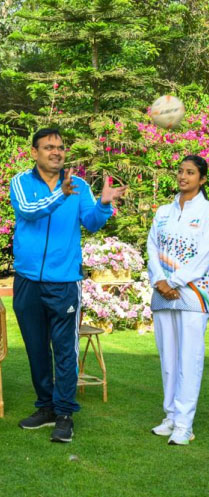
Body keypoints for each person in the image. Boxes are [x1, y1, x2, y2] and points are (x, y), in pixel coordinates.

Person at [10, 127, 127, 442]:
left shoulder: (79, 185)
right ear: (34, 152)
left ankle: (63, 414)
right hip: (27, 281)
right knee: (36, 349)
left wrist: (103, 205)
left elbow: (91, 222)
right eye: (49, 147)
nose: (56, 152)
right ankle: (45, 407)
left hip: (64, 282)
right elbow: (28, 212)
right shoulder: (20, 182)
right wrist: (59, 195)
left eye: (60, 147)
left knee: (64, 351)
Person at [147, 155, 209, 445]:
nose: (183, 176)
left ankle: (184, 424)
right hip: (162, 293)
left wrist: (174, 281)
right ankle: (171, 416)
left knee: (189, 359)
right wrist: (160, 280)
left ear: (202, 179)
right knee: (168, 358)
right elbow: (152, 246)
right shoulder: (163, 212)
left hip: (193, 294)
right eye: (180, 171)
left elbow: (205, 256)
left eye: (190, 172)